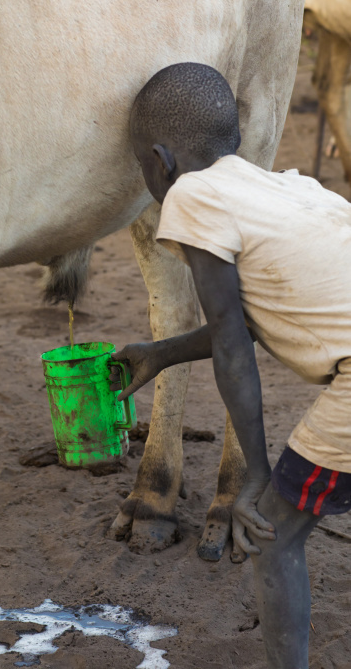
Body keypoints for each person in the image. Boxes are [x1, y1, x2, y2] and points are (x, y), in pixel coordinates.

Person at [110, 62, 351, 669]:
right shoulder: (284, 187)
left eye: (143, 166)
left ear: (160, 162)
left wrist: (254, 475)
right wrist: (161, 354)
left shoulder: (190, 197)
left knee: (270, 534)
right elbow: (240, 322)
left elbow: (233, 346)